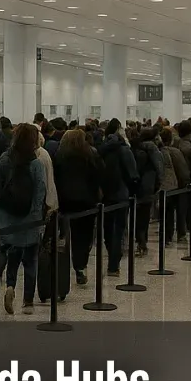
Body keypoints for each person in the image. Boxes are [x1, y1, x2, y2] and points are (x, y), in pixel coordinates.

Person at [0, 124, 47, 314]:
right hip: (29, 219)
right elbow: (40, 191)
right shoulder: (36, 163)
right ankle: (28, 301)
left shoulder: (4, 159)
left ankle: (10, 286)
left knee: (13, 256)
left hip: (8, 217)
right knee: (31, 260)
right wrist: (36, 216)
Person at [54, 128, 103, 285]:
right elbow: (99, 175)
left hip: (64, 201)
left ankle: (61, 267)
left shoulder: (59, 156)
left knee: (64, 235)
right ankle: (80, 266)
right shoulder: (90, 155)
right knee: (84, 236)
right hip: (86, 202)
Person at [98, 119, 138, 277]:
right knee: (118, 230)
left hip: (105, 195)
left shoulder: (101, 149)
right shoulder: (124, 150)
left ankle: (111, 254)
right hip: (121, 194)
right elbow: (132, 174)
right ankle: (113, 265)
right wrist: (133, 190)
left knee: (107, 229)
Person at [132, 128, 165, 257]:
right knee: (144, 216)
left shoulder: (136, 147)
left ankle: (140, 241)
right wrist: (158, 184)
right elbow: (159, 169)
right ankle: (142, 242)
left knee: (138, 216)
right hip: (148, 186)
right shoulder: (153, 150)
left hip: (137, 186)